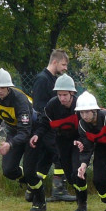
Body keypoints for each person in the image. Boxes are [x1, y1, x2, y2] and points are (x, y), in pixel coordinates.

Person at [0, 69, 47, 211]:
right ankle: (30, 182)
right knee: (8, 170)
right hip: (14, 132)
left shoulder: (20, 101)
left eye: (3, 88)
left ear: (9, 87)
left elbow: (25, 132)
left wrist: (10, 144)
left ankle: (40, 201)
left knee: (30, 172)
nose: (0, 91)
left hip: (31, 133)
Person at [30, 73, 88, 211]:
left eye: (65, 95)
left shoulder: (79, 105)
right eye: (59, 95)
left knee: (77, 172)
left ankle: (82, 203)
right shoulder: (52, 105)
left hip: (78, 142)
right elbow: (45, 123)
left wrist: (82, 142)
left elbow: (88, 127)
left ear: (72, 93)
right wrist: (37, 134)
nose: (62, 98)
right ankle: (77, 192)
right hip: (61, 142)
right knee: (70, 176)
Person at [30, 49, 76, 202]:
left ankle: (32, 190)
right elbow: (38, 106)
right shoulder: (42, 79)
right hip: (46, 125)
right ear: (54, 62)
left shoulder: (53, 79)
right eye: (63, 64)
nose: (65, 68)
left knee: (45, 160)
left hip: (53, 126)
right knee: (60, 155)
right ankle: (58, 190)